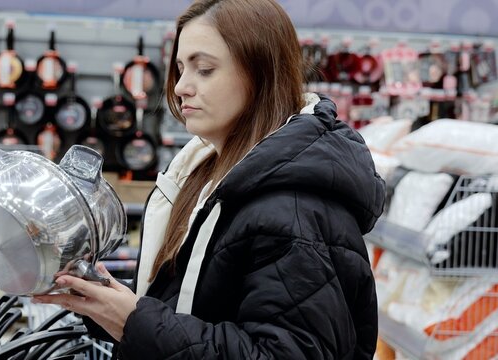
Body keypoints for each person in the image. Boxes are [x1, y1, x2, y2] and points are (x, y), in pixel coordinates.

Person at [33, 0, 385, 358]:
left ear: (259, 72)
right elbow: (195, 304)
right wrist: (106, 299)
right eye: (182, 69)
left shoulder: (293, 206)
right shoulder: (206, 176)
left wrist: (135, 322)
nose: (181, 87)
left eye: (204, 69)